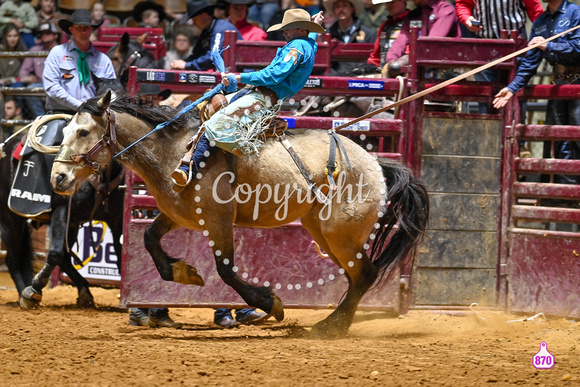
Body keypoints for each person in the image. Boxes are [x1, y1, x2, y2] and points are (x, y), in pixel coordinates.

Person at [171, 8, 325, 187]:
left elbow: (274, 75)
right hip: (264, 96)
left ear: (300, 29)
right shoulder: (308, 44)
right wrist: (315, 27)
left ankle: (188, 169)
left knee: (215, 125)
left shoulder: (297, 46)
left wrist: (239, 77)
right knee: (212, 109)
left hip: (262, 99)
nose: (284, 32)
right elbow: (311, 40)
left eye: (288, 28)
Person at [493, 0, 580, 186]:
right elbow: (530, 61)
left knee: (577, 137)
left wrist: (549, 46)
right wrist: (512, 87)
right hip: (560, 85)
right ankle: (562, 194)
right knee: (558, 141)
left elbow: (578, 47)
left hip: (577, 85)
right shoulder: (540, 21)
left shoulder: (575, 13)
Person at [456, 0, 543, 113]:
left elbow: (534, 8)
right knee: (486, 96)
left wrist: (544, 32)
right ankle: (488, 129)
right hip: (484, 43)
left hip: (515, 43)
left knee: (516, 95)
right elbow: (463, 4)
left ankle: (514, 128)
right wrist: (467, 19)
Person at [42, 9, 116, 114]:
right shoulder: (57, 53)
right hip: (60, 112)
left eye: (87, 28)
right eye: (79, 28)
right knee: (50, 131)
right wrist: (79, 105)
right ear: (71, 29)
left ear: (91, 30)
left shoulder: (103, 60)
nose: (83, 32)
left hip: (94, 115)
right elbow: (51, 87)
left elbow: (111, 90)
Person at [384, 0, 461, 75]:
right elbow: (400, 42)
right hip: (420, 68)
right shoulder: (414, 14)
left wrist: (404, 60)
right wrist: (390, 61)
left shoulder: (445, 9)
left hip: (443, 71)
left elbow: (430, 44)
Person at [171, 0, 241, 71]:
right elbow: (197, 54)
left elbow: (214, 57)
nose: (194, 23)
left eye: (194, 19)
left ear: (204, 15)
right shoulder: (207, 31)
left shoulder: (220, 28)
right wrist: (181, 63)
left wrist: (187, 65)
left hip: (241, 75)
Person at [18, 22, 60, 119]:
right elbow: (23, 72)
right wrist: (28, 78)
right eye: (42, 33)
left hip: (60, 84)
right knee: (30, 89)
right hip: (41, 83)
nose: (44, 35)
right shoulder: (35, 50)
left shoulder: (62, 50)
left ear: (55, 35)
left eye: (48, 33)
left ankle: (57, 118)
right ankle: (41, 119)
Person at [324, 0, 375, 76]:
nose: (340, 9)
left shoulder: (369, 34)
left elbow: (374, 61)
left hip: (362, 78)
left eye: (345, 5)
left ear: (352, 9)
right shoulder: (328, 36)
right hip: (336, 80)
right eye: (337, 6)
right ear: (334, 11)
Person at [366, 0, 408, 73]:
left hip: (403, 73)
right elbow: (376, 56)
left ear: (403, 1)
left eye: (393, 2)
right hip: (383, 71)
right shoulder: (385, 26)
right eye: (387, 2)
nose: (389, 5)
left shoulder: (412, 22)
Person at [0, 23, 26, 87]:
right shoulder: (1, 52)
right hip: (1, 84)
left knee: (18, 86)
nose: (12, 39)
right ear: (5, 37)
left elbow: (26, 78)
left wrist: (7, 80)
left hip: (16, 82)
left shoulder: (23, 52)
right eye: (9, 36)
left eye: (15, 36)